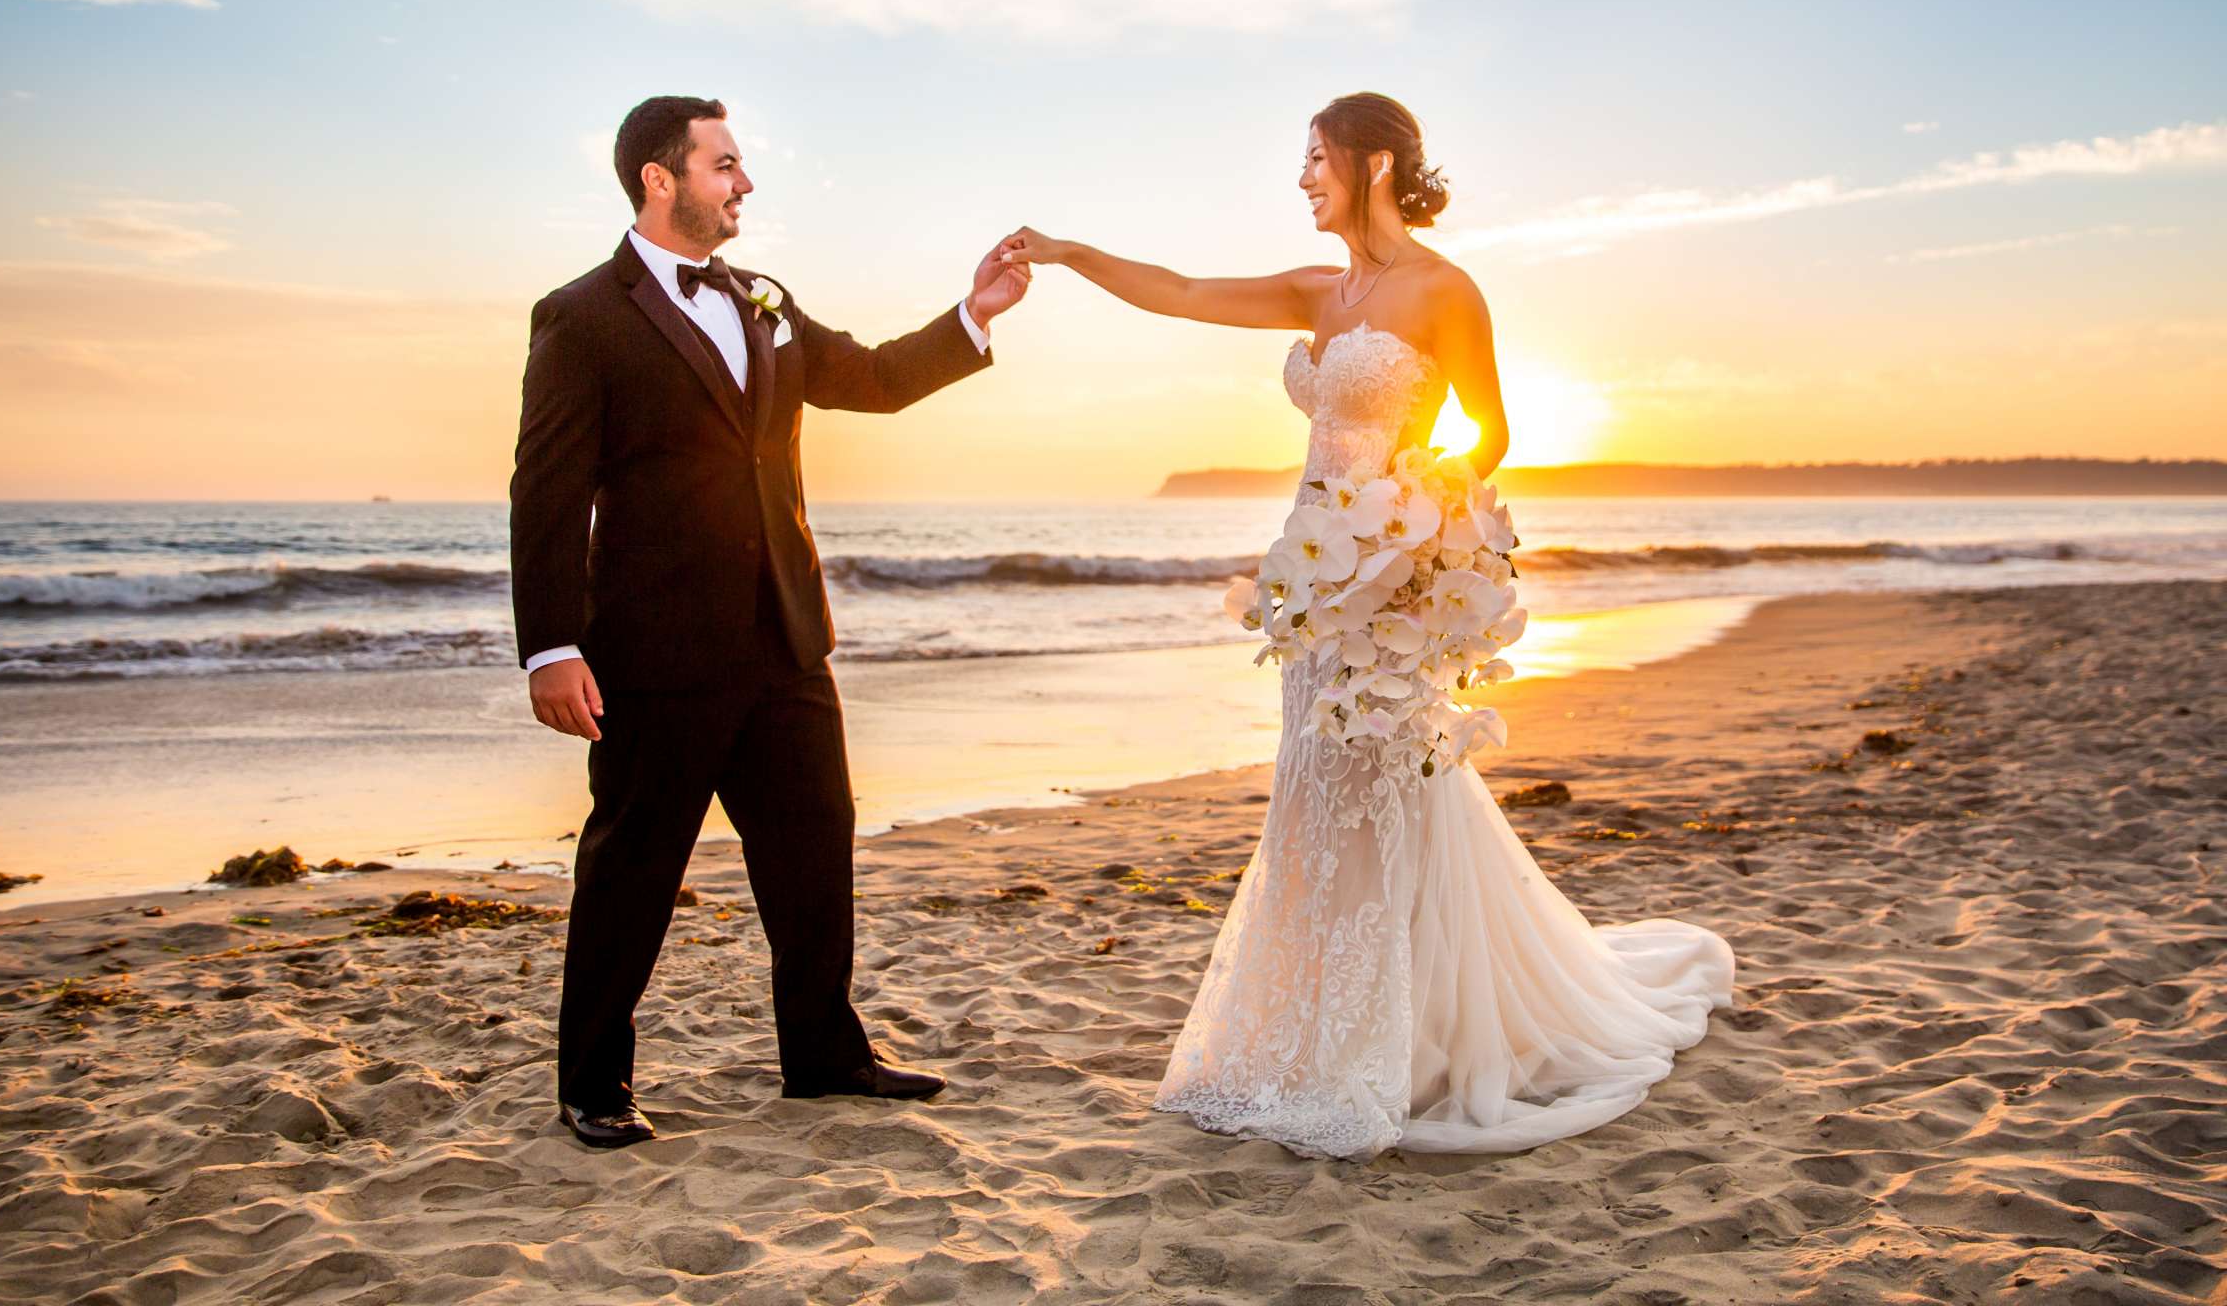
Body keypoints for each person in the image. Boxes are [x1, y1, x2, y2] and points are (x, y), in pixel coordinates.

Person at [997, 91, 1733, 1159]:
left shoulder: (1444, 289)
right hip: (1309, 578)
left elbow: (1491, 429)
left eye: (1316, 158)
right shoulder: (1318, 292)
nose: (1302, 176)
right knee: (1313, 790)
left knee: (1383, 787)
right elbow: (1184, 290)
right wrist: (1066, 252)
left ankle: (1396, 1038)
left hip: (1388, 584)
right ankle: (1317, 1030)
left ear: (1375, 164)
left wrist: (1424, 524)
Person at [511, 94, 1031, 1148]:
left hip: (785, 635)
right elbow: (548, 491)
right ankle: (593, 1083)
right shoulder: (581, 315)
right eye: (725, 165)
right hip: (653, 650)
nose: (743, 183)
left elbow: (875, 379)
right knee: (634, 864)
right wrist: (552, 646)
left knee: (814, 846)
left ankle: (824, 1057)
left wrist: (974, 314)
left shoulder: (765, 299)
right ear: (662, 179)